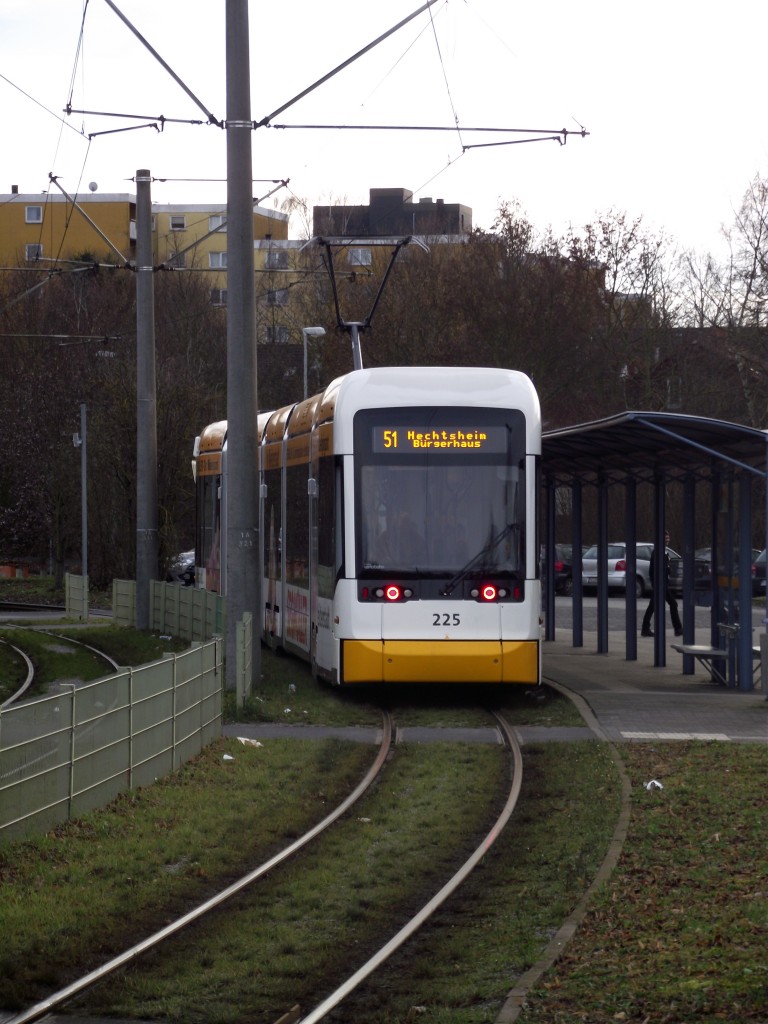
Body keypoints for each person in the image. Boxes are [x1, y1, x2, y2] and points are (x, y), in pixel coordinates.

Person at [641, 532, 682, 637]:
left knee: (653, 606)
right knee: (672, 604)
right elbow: (654, 570)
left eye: (668, 537)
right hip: (660, 585)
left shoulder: (663, 551)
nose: (668, 539)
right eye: (666, 538)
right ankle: (678, 629)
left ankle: (645, 628)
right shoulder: (658, 552)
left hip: (662, 584)